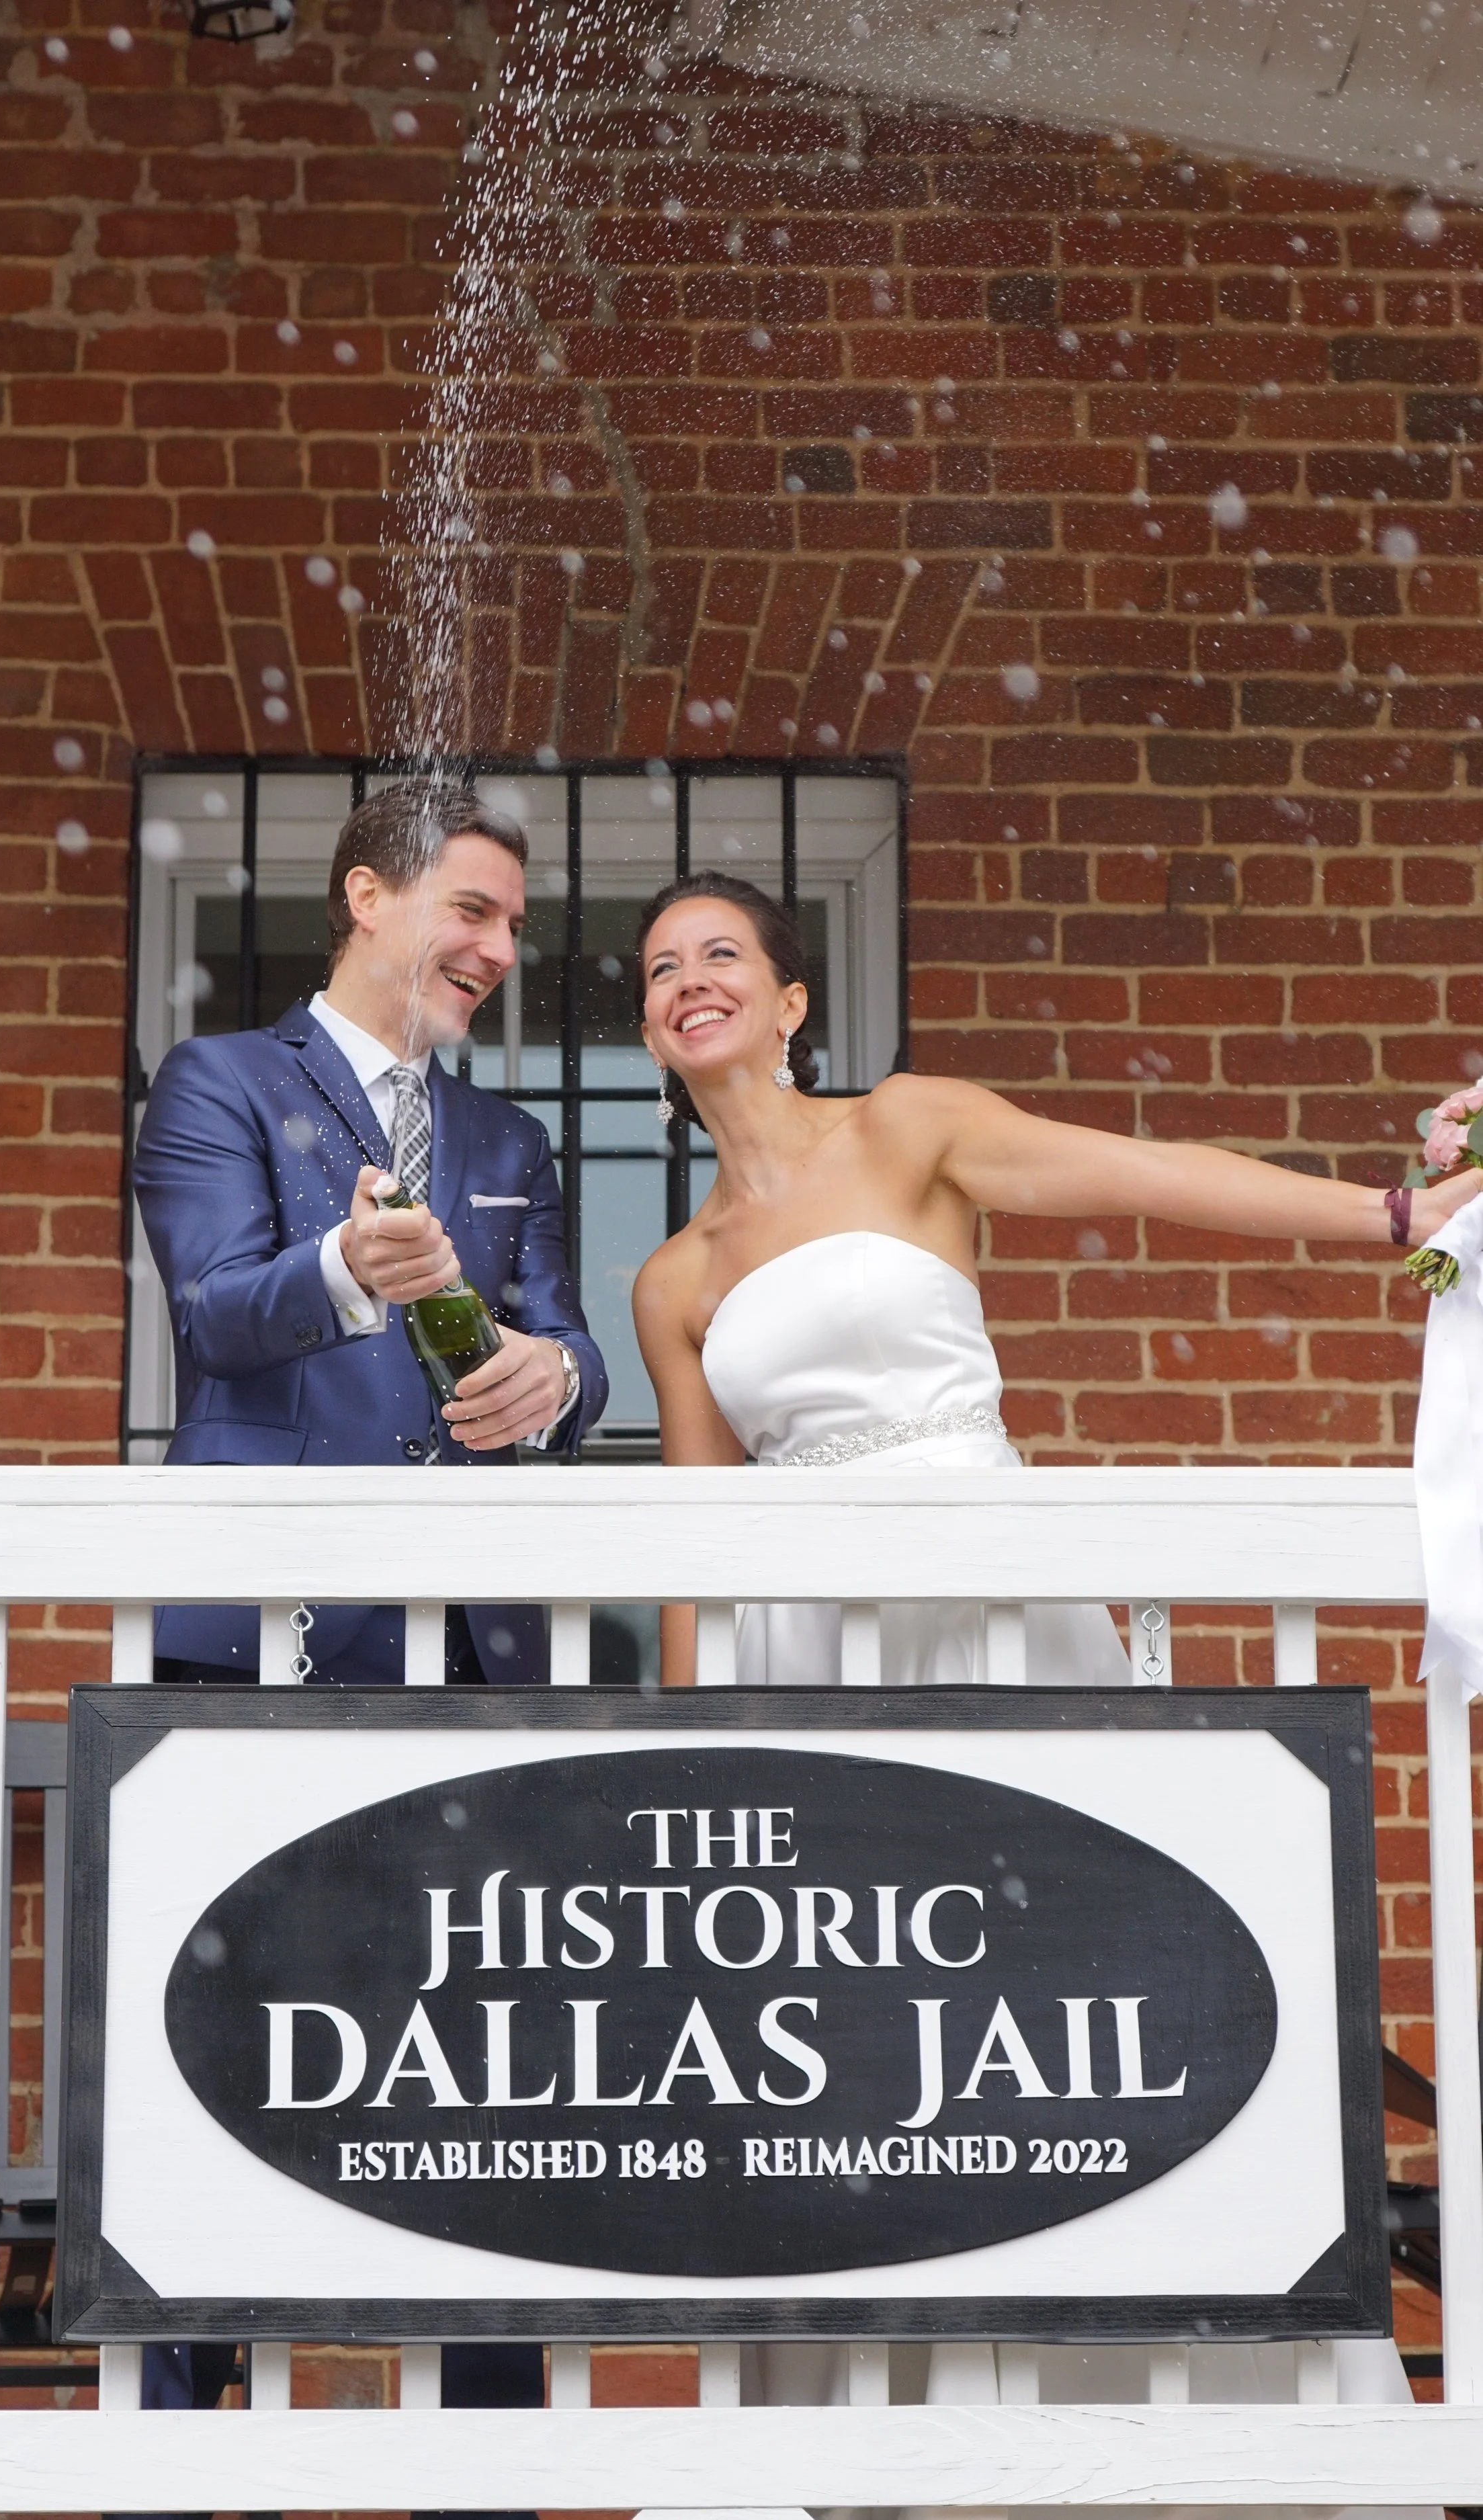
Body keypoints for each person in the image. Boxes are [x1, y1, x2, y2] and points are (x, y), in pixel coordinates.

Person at [630, 871, 1474, 2466]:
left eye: (721, 952)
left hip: (989, 1590)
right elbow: (693, 1546)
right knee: (868, 2030)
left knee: (1081, 1976)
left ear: (791, 1001)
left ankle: (1178, 2412)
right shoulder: (672, 1278)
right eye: (660, 967)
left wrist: (1388, 1214)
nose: (689, 980)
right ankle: (888, 2433)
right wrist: (691, 1762)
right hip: (812, 1646)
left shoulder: (906, 1128)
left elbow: (1150, 1175)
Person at [130, 780, 606, 2484]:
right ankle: (176, 2473)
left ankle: (486, 2477)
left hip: (463, 1675)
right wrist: (343, 1267)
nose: (494, 948)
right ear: (365, 896)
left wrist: (558, 1382)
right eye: (469, 910)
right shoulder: (219, 1083)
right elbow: (213, 1311)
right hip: (256, 1654)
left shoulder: (508, 1143)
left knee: (494, 2088)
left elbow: (562, 1338)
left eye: (510, 926)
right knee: (209, 2070)